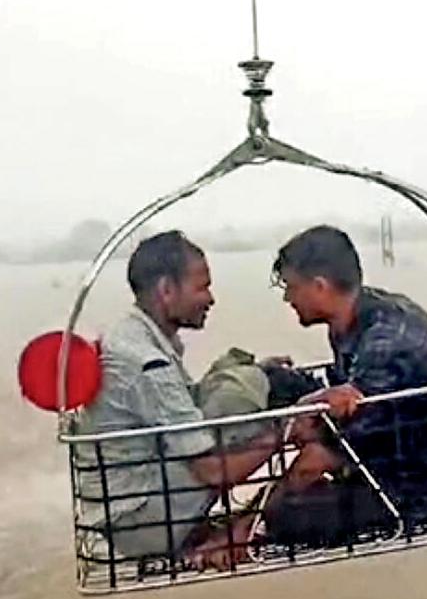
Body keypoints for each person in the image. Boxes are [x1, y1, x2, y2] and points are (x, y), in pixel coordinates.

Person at [73, 231, 287, 566]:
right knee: (239, 396)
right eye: (202, 287)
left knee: (243, 379)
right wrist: (287, 431)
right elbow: (210, 472)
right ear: (167, 290)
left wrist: (260, 373)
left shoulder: (137, 336)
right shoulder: (145, 362)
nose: (210, 298)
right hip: (140, 523)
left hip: (131, 502)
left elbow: (182, 409)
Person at [261, 225, 427, 546]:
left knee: (285, 516)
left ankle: (250, 520)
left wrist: (252, 520)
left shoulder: (386, 339)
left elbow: (320, 456)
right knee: (273, 382)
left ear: (320, 286)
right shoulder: (353, 315)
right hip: (385, 433)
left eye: (291, 288)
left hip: (424, 478)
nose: (287, 297)